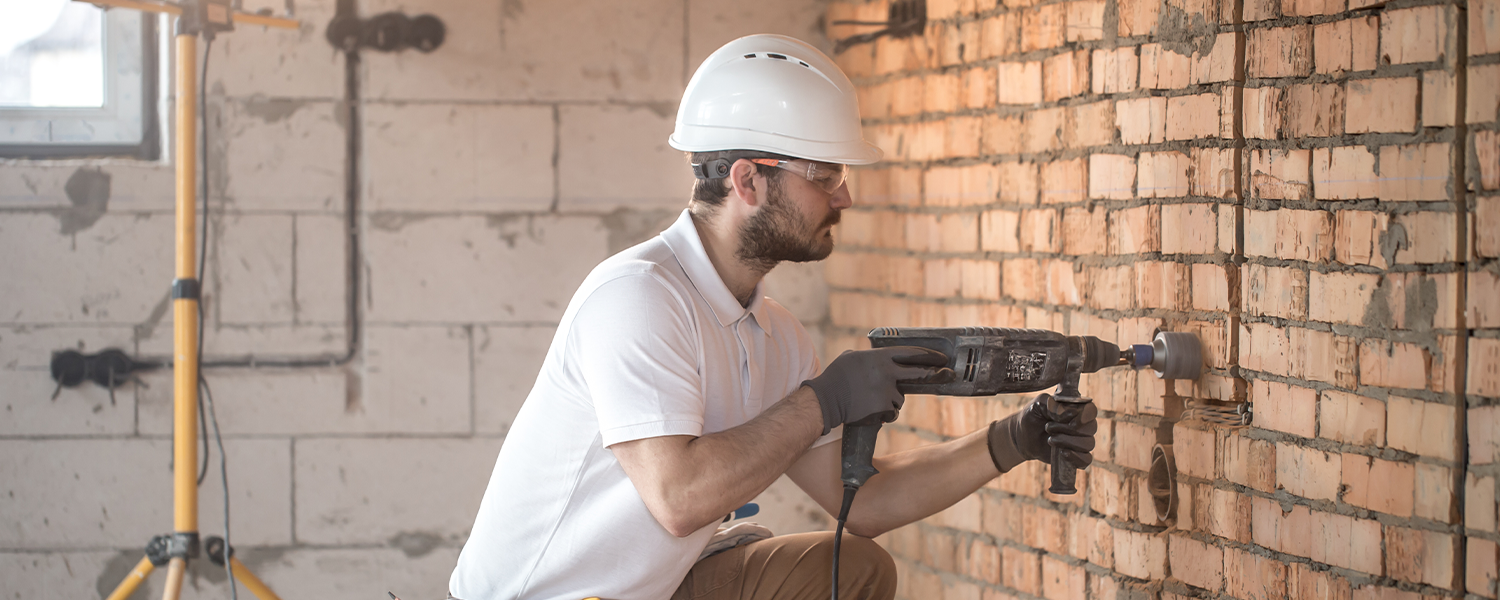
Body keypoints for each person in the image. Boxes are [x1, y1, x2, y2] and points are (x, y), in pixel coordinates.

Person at [447, 34, 1097, 600]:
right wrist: (824, 400)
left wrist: (1011, 440)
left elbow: (862, 502)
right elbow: (679, 501)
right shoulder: (638, 298)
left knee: (850, 569)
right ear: (748, 182)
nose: (844, 194)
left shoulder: (776, 333)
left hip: (658, 590)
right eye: (825, 172)